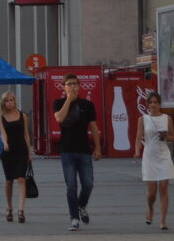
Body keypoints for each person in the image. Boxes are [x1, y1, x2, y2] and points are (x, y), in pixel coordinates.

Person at [53, 73, 101, 231]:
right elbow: (59, 118)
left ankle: (81, 205)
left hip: (84, 150)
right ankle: (74, 218)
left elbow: (93, 127)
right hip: (67, 150)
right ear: (64, 87)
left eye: (75, 84)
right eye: (69, 84)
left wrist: (98, 148)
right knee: (71, 186)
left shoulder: (87, 105)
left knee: (88, 184)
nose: (73, 86)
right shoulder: (59, 102)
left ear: (79, 86)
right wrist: (69, 99)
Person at [135, 90, 174, 229]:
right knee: (152, 192)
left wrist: (166, 137)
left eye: (156, 102)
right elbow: (139, 136)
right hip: (149, 157)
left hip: (164, 155)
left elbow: (173, 137)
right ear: (147, 104)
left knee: (164, 187)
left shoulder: (167, 118)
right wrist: (136, 151)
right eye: (151, 102)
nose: (153, 105)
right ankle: (150, 208)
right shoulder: (143, 119)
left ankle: (163, 221)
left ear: (160, 104)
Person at [0, 90, 33, 223]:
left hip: (21, 151)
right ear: (3, 103)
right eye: (7, 100)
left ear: (14, 101)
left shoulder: (22, 115)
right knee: (9, 181)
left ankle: (21, 211)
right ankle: (9, 207)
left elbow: (26, 134)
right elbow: (3, 133)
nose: (9, 103)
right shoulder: (1, 117)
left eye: (11, 100)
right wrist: (5, 143)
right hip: (8, 152)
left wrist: (29, 153)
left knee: (21, 179)